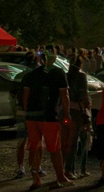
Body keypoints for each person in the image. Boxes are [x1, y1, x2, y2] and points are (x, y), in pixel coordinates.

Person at [22, 49, 73, 189]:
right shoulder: (58, 73)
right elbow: (64, 95)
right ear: (55, 58)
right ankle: (61, 177)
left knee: (35, 147)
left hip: (32, 116)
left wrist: (27, 112)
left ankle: (35, 178)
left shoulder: (32, 74)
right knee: (55, 149)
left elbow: (26, 95)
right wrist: (66, 113)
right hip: (49, 116)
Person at [63, 55, 91, 179]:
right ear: (80, 65)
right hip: (77, 111)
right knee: (76, 141)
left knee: (67, 141)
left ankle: (67, 168)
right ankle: (71, 170)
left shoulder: (65, 75)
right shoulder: (81, 76)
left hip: (64, 110)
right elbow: (83, 95)